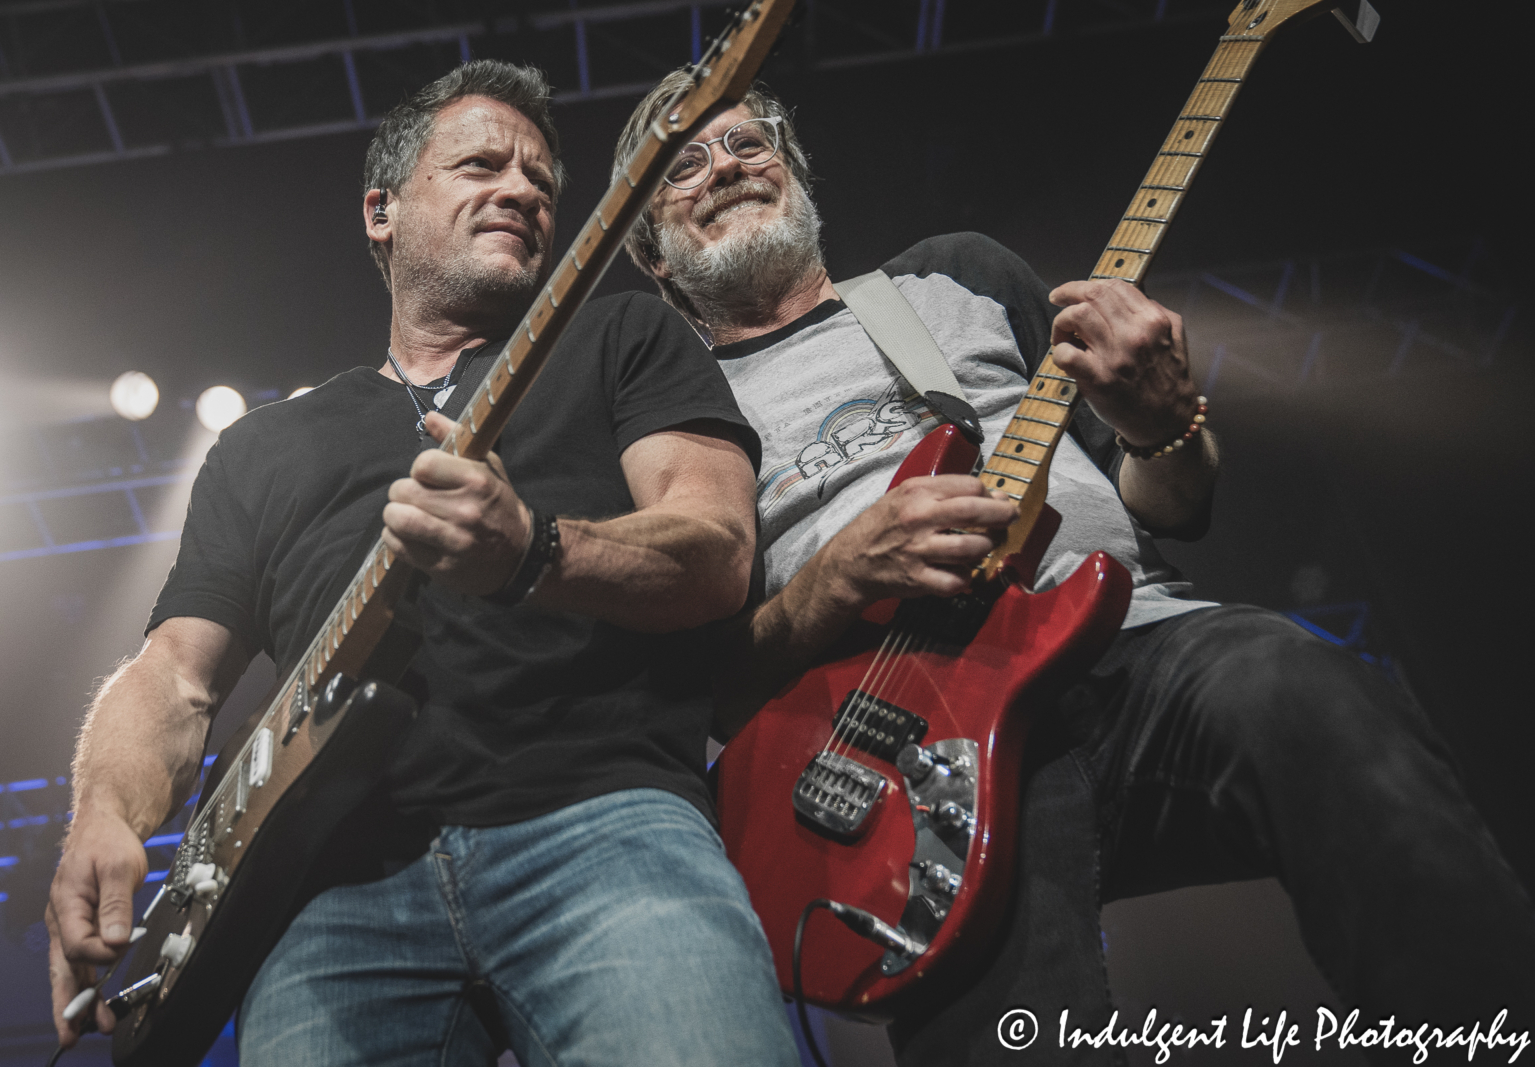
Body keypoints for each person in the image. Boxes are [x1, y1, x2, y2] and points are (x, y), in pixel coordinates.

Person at [613, 72, 1535, 1064]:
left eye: (749, 145)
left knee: (1297, 678)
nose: (725, 169)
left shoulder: (950, 282)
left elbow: (1173, 504)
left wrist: (1166, 421)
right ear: (651, 259)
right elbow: (697, 689)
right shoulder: (666, 421)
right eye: (683, 165)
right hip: (902, 755)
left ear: (794, 175)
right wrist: (831, 575)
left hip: (1127, 650)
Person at [45, 60, 804, 1067]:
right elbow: (175, 675)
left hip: (605, 826)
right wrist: (102, 811)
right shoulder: (263, 446)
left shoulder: (620, 334)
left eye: (540, 180)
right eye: (482, 163)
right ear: (382, 210)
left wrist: (533, 550)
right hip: (322, 896)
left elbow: (715, 549)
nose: (523, 190)